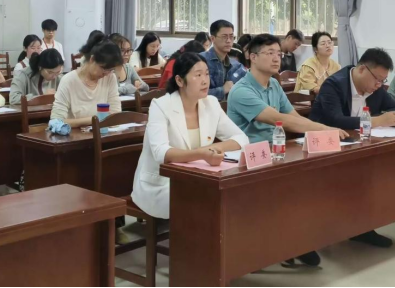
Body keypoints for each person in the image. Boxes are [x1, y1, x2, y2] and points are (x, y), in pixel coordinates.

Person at [227, 34, 347, 268]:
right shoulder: (241, 91)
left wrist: (320, 130)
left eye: (278, 54)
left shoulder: (273, 84)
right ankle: (285, 244)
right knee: (292, 187)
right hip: (249, 160)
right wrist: (323, 128)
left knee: (319, 178)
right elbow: (279, 119)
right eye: (269, 53)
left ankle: (293, 241)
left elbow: (293, 117)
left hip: (277, 152)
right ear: (252, 57)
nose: (276, 58)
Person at [132, 52, 249, 220]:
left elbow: (242, 138)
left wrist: (212, 149)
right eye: (198, 75)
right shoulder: (161, 106)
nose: (205, 80)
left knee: (234, 194)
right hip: (162, 184)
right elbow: (161, 153)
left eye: (207, 74)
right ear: (180, 81)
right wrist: (201, 154)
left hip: (197, 179)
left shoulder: (211, 103)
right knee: (209, 199)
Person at [309, 49, 395, 249]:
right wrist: (375, 121)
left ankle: (362, 228)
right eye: (377, 79)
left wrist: (389, 117)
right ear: (361, 69)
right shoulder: (334, 84)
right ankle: (321, 232)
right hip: (324, 149)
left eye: (383, 80)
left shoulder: (375, 88)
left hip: (357, 147)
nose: (379, 85)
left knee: (376, 174)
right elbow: (335, 119)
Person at [51, 34, 122, 129]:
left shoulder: (110, 78)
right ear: (92, 59)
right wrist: (94, 120)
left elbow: (115, 115)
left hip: (103, 134)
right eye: (104, 68)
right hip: (75, 135)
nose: (106, 73)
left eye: (110, 69)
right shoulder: (69, 81)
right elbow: (56, 121)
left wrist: (97, 121)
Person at [201, 20, 247, 102]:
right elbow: (193, 93)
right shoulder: (199, 60)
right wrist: (222, 90)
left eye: (231, 37)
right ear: (212, 38)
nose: (229, 41)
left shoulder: (237, 67)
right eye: (224, 37)